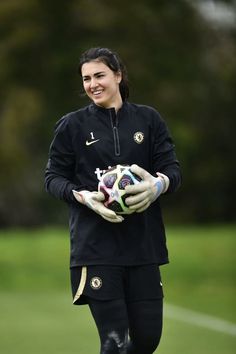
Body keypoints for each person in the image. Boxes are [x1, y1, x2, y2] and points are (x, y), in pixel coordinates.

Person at [45, 47, 181, 354]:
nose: (92, 84)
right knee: (115, 342)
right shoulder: (71, 126)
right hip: (96, 250)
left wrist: (157, 186)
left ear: (118, 76)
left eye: (99, 75)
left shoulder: (149, 120)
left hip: (143, 248)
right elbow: (53, 178)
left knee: (147, 341)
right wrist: (82, 196)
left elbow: (173, 170)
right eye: (86, 78)